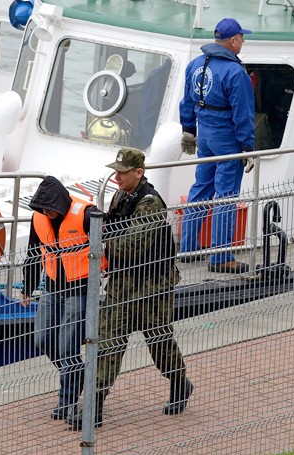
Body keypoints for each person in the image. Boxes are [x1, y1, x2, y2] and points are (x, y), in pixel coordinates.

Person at [72, 148, 192, 429]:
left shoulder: (149, 203)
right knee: (107, 341)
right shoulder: (121, 197)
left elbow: (132, 247)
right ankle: (94, 407)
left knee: (159, 340)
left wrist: (103, 241)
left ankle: (179, 381)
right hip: (122, 284)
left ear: (139, 172)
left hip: (152, 286)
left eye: (123, 172)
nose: (117, 176)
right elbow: (117, 236)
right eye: (116, 171)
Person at [20, 175, 104, 424]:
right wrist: (28, 286)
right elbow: (33, 254)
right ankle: (78, 373)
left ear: (61, 204)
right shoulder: (39, 217)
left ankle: (66, 402)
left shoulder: (88, 215)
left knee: (69, 347)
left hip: (80, 290)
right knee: (42, 339)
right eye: (43, 208)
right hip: (52, 287)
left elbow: (109, 241)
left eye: (50, 208)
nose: (47, 212)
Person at [179, 17, 255, 274]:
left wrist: (188, 130)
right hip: (227, 140)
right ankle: (221, 256)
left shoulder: (196, 64)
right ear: (233, 41)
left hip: (204, 136)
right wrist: (247, 147)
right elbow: (243, 114)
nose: (243, 41)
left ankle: (188, 248)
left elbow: (187, 101)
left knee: (200, 188)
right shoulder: (235, 72)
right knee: (226, 196)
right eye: (242, 37)